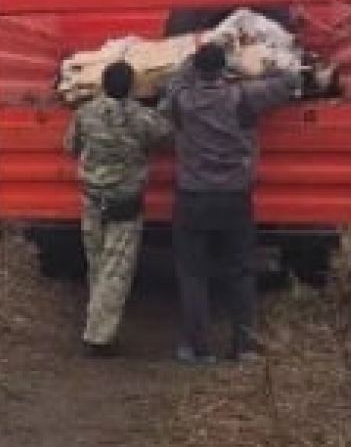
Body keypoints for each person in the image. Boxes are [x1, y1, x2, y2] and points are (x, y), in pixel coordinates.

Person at [159, 42, 299, 364]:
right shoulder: (244, 97)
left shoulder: (182, 100)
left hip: (193, 197)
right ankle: (244, 346)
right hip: (235, 197)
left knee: (193, 273)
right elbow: (290, 80)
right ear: (223, 69)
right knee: (240, 271)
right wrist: (244, 65)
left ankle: (198, 348)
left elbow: (173, 81)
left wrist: (190, 62)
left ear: (197, 69)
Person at [64, 60, 170, 357]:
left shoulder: (85, 113)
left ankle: (97, 323)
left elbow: (71, 146)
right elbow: (167, 137)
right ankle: (98, 337)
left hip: (92, 200)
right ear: (133, 87)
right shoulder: (142, 118)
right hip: (125, 204)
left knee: (97, 266)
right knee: (115, 271)